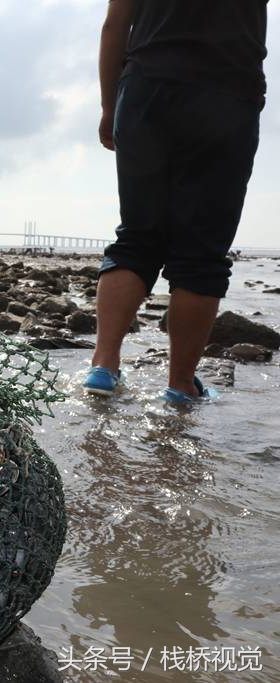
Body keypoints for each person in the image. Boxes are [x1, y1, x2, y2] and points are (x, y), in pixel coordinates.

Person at [85, 0, 267, 404]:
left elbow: (115, 26)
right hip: (227, 97)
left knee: (137, 236)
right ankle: (181, 383)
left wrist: (109, 105)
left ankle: (103, 365)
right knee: (202, 252)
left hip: (147, 89)